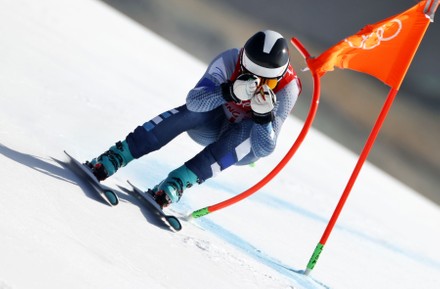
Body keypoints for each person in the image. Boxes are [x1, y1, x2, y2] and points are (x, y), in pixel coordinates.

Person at [86, 30, 302, 208]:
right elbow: (193, 102)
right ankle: (118, 155)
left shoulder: (288, 89)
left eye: (268, 82)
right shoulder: (229, 60)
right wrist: (228, 92)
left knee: (247, 134)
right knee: (197, 111)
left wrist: (264, 118)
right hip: (208, 128)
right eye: (251, 76)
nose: (258, 85)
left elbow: (264, 149)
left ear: (280, 77)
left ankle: (178, 181)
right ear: (242, 63)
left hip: (239, 148)